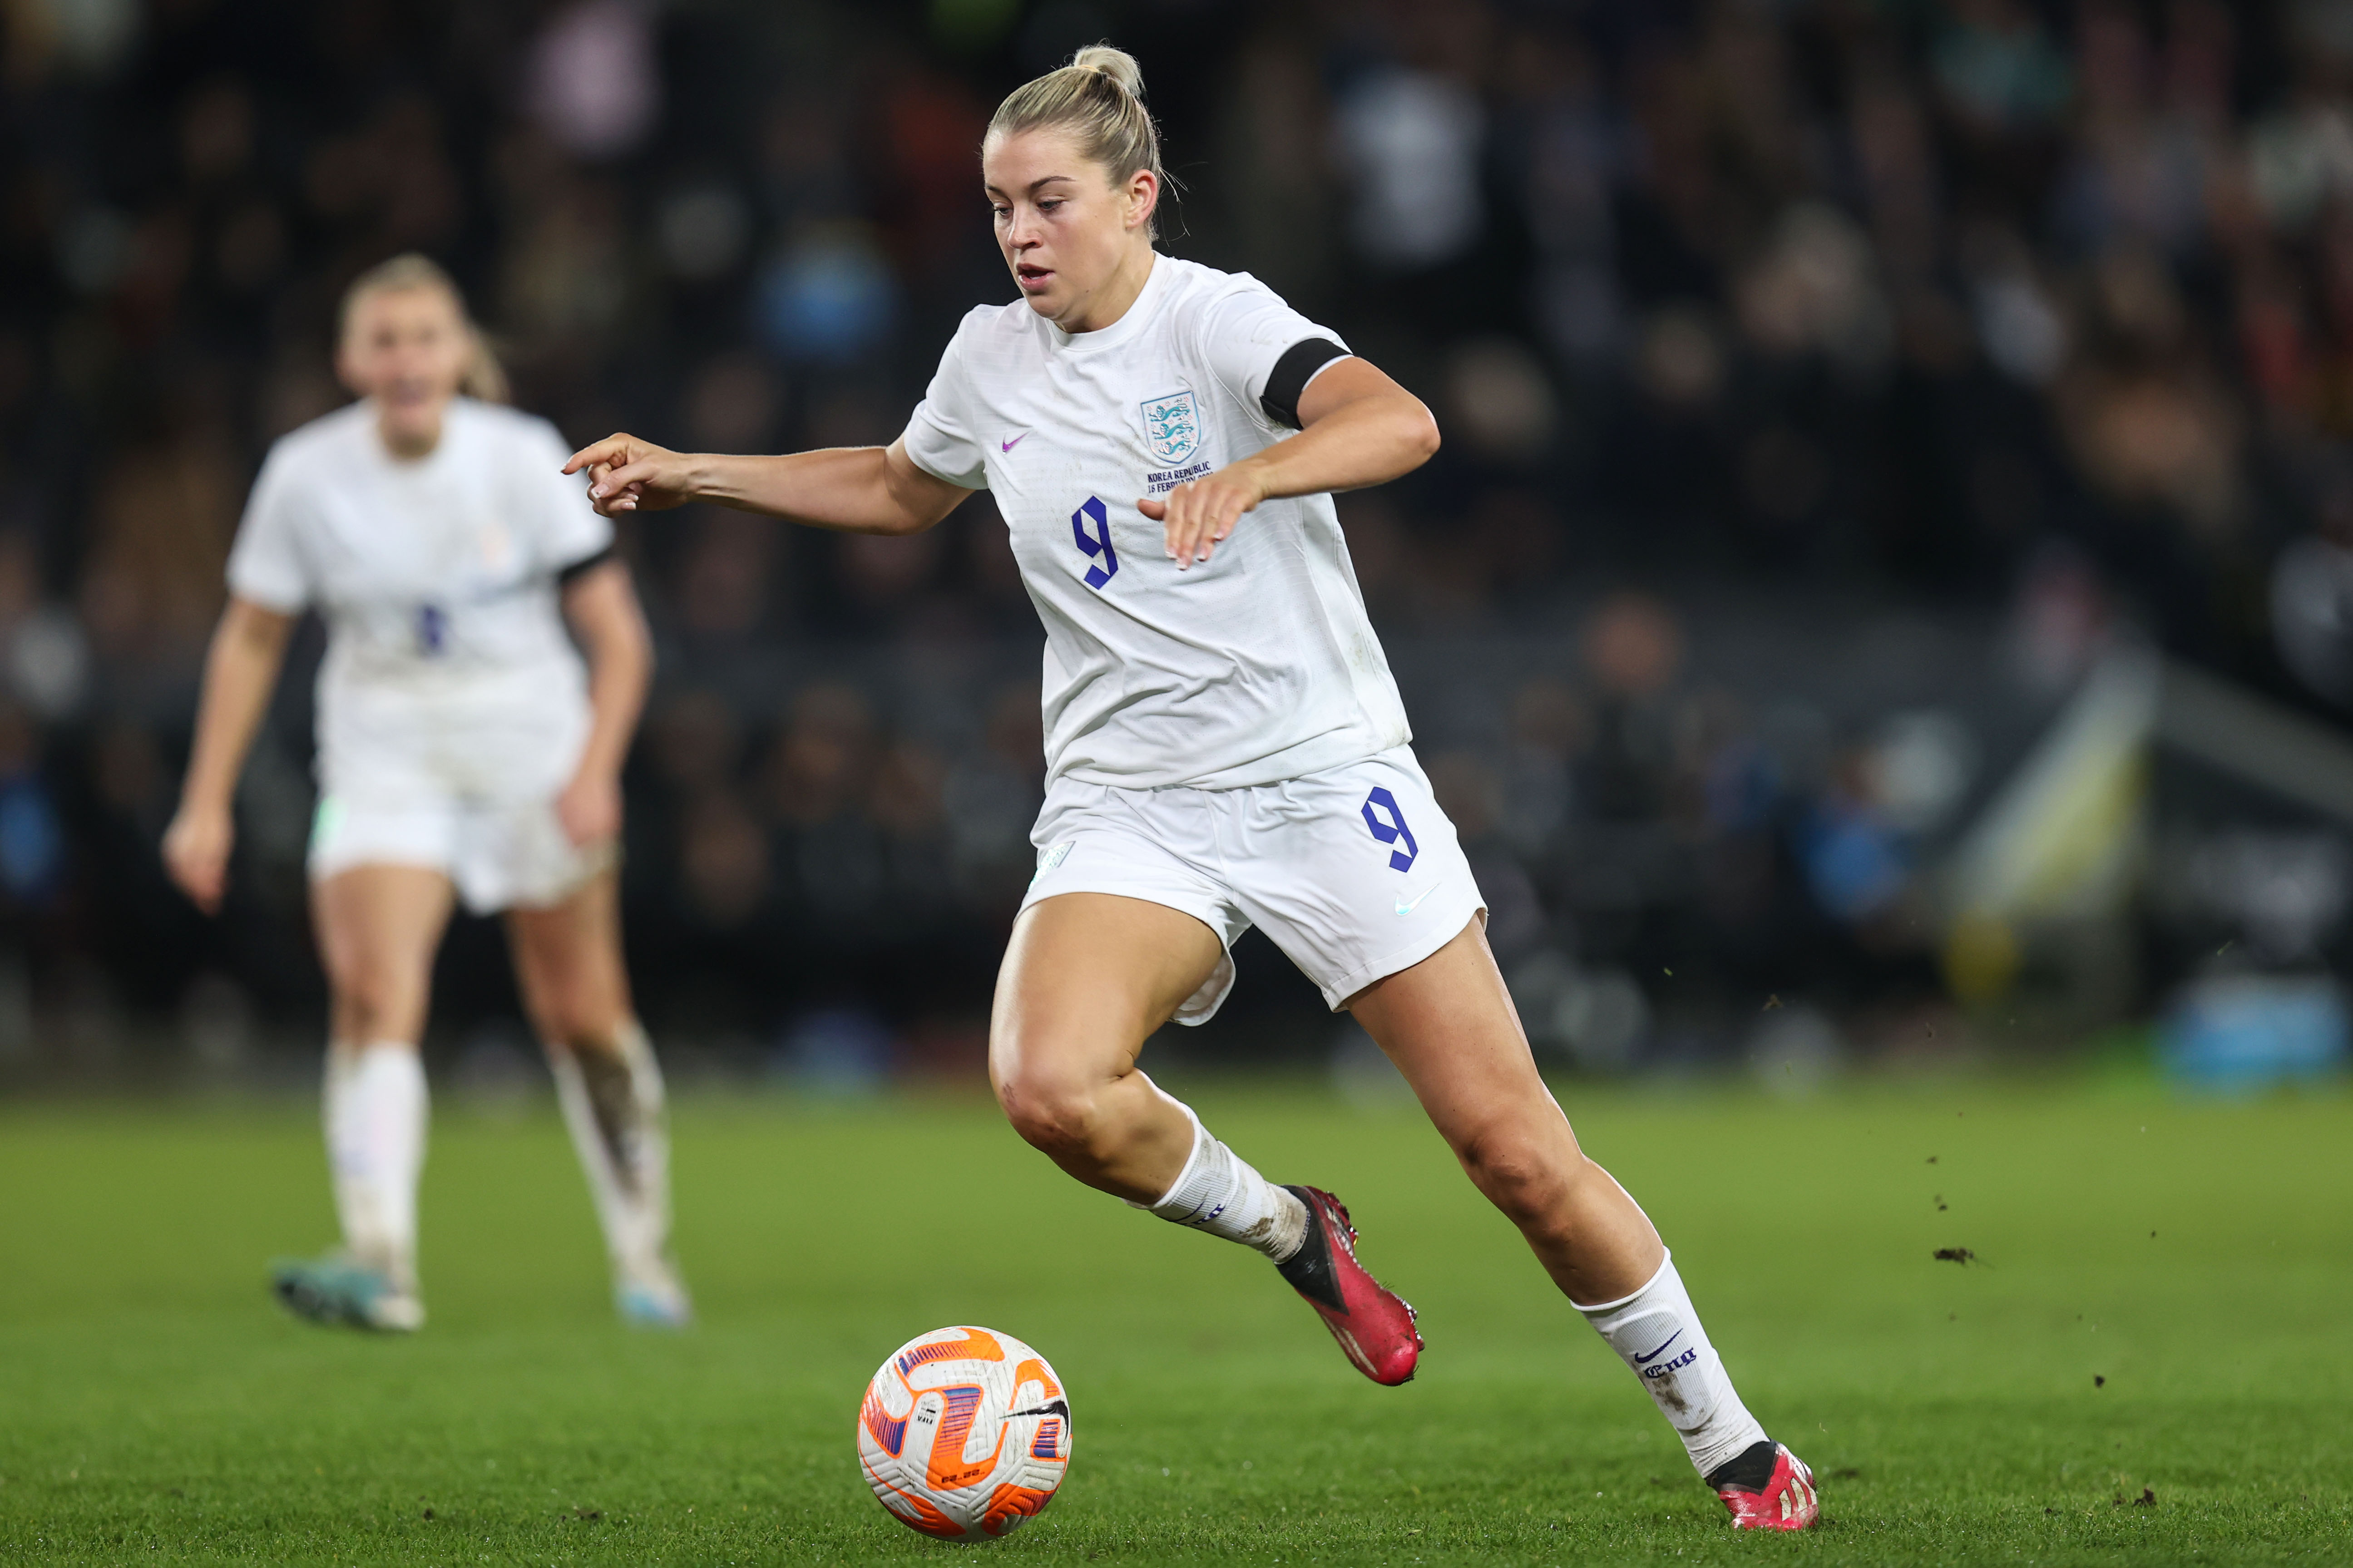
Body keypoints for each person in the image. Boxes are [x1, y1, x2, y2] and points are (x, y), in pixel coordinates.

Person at [565, 47, 1815, 1529]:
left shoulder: (1218, 321)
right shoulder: (988, 357)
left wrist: (1260, 473)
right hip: (1130, 803)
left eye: (1048, 202)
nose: (1020, 234)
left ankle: (1736, 1446)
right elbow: (907, 487)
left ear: (1136, 198)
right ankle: (1296, 1234)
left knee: (1517, 1156)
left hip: (1319, 777)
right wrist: (695, 471)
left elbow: (1401, 423)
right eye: (996, 208)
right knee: (1049, 1089)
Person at [164, 254, 689, 1333]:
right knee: (371, 993)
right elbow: (253, 636)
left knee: (583, 1017)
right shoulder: (306, 475)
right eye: (384, 339)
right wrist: (204, 798)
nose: (406, 358)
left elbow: (618, 639)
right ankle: (380, 1260)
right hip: (382, 754)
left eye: (425, 336)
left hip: (530, 750)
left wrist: (593, 770)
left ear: (460, 353)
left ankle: (644, 1251)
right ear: (352, 359)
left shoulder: (522, 458)